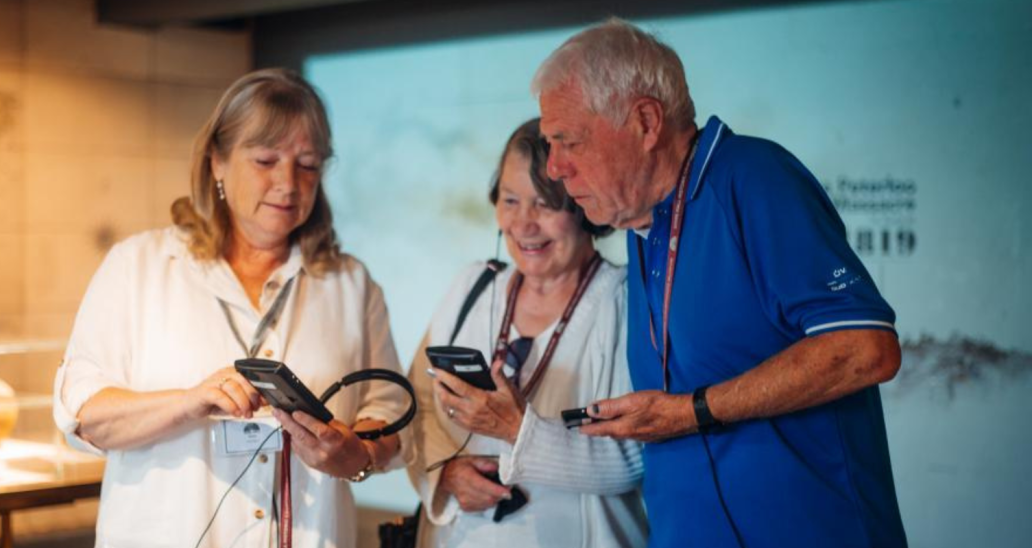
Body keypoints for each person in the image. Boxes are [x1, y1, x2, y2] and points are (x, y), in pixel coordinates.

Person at [531, 19, 907, 548]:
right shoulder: (642, 225)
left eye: (567, 141)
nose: (555, 169)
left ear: (644, 121)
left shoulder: (753, 178)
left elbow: (866, 348)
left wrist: (694, 411)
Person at [52, 68, 407, 548]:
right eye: (265, 160)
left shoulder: (350, 283)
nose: (288, 183)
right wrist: (189, 401)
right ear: (216, 160)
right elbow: (85, 414)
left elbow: (391, 416)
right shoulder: (138, 266)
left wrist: (355, 453)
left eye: (308, 164)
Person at [403, 119, 648, 548]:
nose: (523, 224)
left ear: (583, 207)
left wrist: (519, 431)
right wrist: (444, 472)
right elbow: (417, 405)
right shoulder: (473, 287)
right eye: (510, 200)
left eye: (545, 204)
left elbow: (634, 458)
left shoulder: (625, 300)